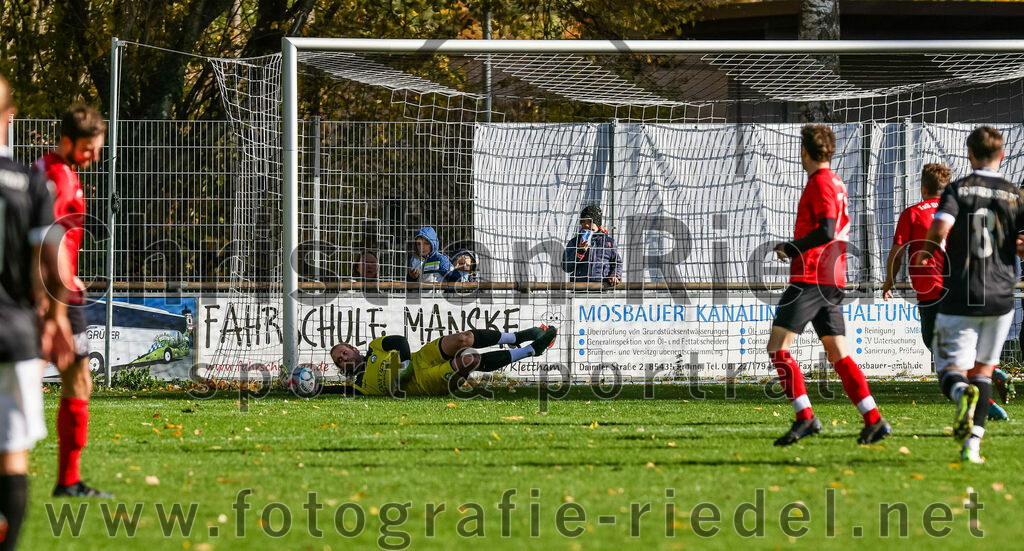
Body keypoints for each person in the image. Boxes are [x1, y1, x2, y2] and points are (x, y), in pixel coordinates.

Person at [768, 124, 890, 447]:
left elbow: (826, 229)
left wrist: (790, 248)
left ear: (805, 151)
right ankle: (873, 419)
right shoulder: (837, 182)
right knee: (838, 353)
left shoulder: (820, 183)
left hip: (811, 277)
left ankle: (804, 416)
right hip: (832, 278)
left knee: (778, 348)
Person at [915, 126, 1024, 464]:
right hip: (1001, 296)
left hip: (961, 292)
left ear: (969, 154)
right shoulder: (1015, 194)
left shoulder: (957, 190)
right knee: (984, 370)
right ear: (1002, 155)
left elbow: (941, 228)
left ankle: (962, 394)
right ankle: (972, 448)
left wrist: (926, 251)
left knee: (949, 371)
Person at [0, 74, 74, 551]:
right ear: (8, 118)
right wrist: (58, 319)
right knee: (11, 451)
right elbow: (50, 264)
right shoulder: (28, 181)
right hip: (12, 333)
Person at [882, 163, 1010, 421]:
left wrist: (889, 281)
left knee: (938, 349)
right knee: (959, 348)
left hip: (931, 290)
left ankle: (988, 398)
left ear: (923, 186)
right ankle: (991, 374)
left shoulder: (913, 213)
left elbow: (897, 251)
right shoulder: (959, 211)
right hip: (962, 287)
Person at [35, 105, 112, 498]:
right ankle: (66, 481)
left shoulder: (61, 171)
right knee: (44, 382)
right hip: (51, 296)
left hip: (61, 291)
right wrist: (56, 285)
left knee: (77, 380)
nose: (95, 156)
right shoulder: (54, 177)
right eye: (89, 148)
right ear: (67, 141)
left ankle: (69, 480)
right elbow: (45, 237)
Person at [331, 327, 557, 397]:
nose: (343, 359)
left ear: (351, 348)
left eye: (343, 353)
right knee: (469, 359)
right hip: (423, 384)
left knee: (463, 339)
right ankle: (530, 351)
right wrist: (311, 388)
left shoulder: (374, 346)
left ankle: (516, 338)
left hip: (419, 359)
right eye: (339, 362)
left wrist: (406, 365)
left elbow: (400, 341)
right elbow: (331, 391)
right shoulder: (358, 387)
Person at [561, 205, 622, 286]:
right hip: (579, 288)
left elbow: (616, 263)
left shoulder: (608, 242)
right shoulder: (574, 242)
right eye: (583, 222)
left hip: (602, 288)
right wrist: (580, 252)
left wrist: (614, 275)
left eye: (590, 222)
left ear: (597, 224)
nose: (586, 225)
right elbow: (566, 267)